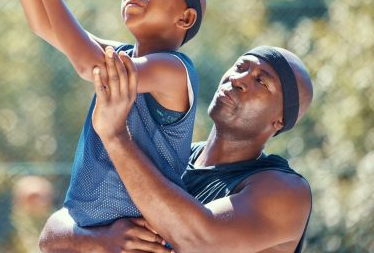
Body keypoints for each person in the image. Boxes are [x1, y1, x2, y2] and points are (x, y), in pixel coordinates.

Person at [39, 45, 313, 253]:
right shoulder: (168, 157)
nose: (239, 79)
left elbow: (198, 239)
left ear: (279, 120)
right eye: (241, 66)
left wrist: (115, 136)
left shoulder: (285, 192)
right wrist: (100, 239)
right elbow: (53, 232)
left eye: (261, 81)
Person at [14, 0, 207, 227]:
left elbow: (90, 66)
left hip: (139, 237)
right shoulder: (120, 56)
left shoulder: (175, 69)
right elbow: (43, 24)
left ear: (186, 17)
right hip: (90, 229)